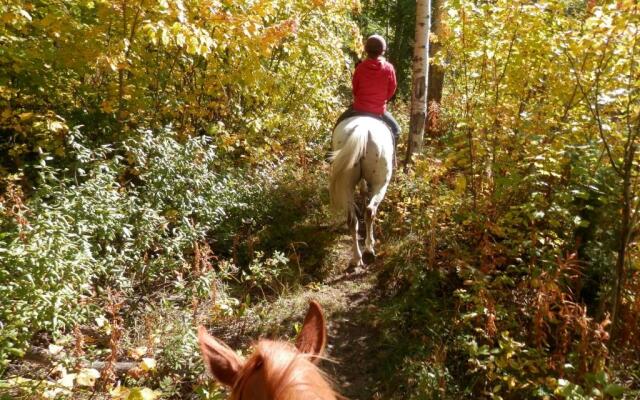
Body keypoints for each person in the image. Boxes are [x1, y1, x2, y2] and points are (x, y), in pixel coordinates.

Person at [335, 34, 400, 148]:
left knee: (338, 125)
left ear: (366, 50)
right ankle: (392, 160)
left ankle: (330, 152)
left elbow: (355, 88)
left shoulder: (360, 67)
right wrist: (382, 100)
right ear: (382, 51)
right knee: (396, 130)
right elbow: (392, 88)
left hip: (359, 108)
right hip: (379, 110)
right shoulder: (389, 68)